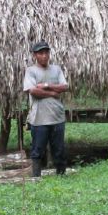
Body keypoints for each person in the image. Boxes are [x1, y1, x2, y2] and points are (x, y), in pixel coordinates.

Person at [23, 41, 69, 176]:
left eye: (46, 53)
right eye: (40, 53)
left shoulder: (57, 69)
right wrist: (53, 93)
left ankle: (61, 175)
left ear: (49, 54)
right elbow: (32, 91)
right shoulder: (30, 71)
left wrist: (46, 85)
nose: (44, 56)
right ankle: (36, 177)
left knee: (59, 149)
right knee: (37, 150)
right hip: (39, 119)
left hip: (57, 117)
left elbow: (65, 87)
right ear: (35, 55)